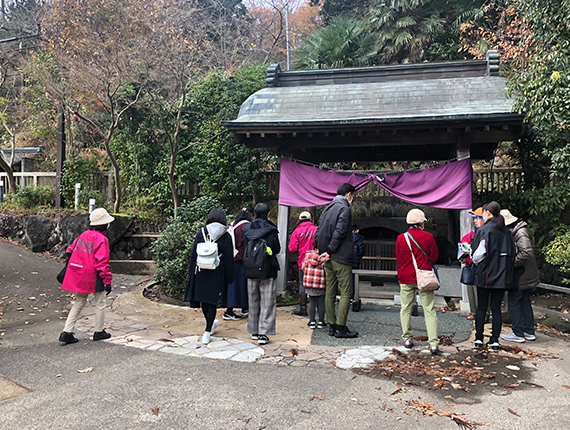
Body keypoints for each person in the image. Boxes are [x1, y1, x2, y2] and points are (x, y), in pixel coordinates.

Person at [59, 208, 115, 344]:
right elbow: (102, 262)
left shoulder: (84, 234)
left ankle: (67, 331)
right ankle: (99, 331)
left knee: (79, 301)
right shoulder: (102, 239)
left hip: (79, 273)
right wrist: (107, 281)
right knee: (100, 302)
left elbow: (69, 250)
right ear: (105, 224)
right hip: (94, 275)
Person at [184, 208, 235, 345]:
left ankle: (209, 327)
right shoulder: (226, 236)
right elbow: (229, 259)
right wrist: (230, 277)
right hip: (216, 272)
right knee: (211, 301)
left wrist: (191, 274)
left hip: (200, 270)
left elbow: (194, 255)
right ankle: (207, 330)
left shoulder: (201, 233)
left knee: (203, 301)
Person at [471, 201, 516, 352]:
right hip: (503, 276)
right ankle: (495, 340)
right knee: (497, 308)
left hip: (485, 274)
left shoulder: (484, 230)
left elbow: (478, 254)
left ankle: (478, 338)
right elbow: (513, 253)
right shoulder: (508, 233)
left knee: (482, 307)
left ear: (488, 213)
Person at [315, 183, 358, 339]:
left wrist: (322, 251)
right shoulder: (344, 209)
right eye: (353, 195)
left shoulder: (327, 209)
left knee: (330, 291)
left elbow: (318, 231)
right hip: (340, 256)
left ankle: (331, 325)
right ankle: (341, 327)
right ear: (348, 194)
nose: (353, 198)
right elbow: (340, 232)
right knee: (346, 292)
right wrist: (331, 250)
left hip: (327, 257)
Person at [395, 208, 440, 354]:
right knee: (429, 309)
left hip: (406, 277)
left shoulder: (401, 238)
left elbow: (398, 257)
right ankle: (433, 343)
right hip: (424, 278)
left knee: (405, 308)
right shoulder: (428, 237)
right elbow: (434, 256)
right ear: (421, 222)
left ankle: (407, 338)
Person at [242, 203, 281, 345]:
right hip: (267, 269)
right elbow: (276, 249)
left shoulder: (247, 229)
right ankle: (263, 333)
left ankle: (254, 330)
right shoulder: (271, 229)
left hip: (250, 268)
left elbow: (243, 247)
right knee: (267, 301)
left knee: (253, 300)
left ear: (255, 214)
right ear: (268, 213)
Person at [500, 209, 540, 343]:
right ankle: (529, 331)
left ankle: (518, 332)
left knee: (514, 301)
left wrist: (511, 264)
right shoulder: (521, 230)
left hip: (522, 274)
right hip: (527, 273)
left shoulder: (520, 232)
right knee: (524, 301)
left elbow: (527, 253)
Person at [223, 208, 252, 321]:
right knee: (241, 285)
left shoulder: (233, 225)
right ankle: (233, 310)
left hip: (232, 258)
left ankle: (237, 309)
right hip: (241, 259)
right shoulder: (246, 226)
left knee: (234, 285)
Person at [288, 211, 317, 317]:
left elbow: (292, 248)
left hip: (303, 262)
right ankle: (318, 307)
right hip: (315, 262)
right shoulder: (316, 229)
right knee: (316, 283)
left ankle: (303, 309)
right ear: (310, 219)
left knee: (302, 284)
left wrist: (300, 249)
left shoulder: (297, 231)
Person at [460, 207, 485, 320]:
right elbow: (463, 243)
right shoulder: (471, 234)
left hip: (482, 267)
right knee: (471, 290)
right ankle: (474, 312)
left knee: (481, 292)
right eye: (474, 218)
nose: (475, 220)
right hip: (470, 266)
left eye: (478, 218)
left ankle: (484, 314)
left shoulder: (485, 232)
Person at [302, 248, 326, 329]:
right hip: (320, 283)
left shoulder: (307, 256)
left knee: (312, 302)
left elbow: (303, 267)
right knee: (321, 303)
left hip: (309, 283)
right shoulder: (323, 258)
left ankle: (312, 321)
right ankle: (321, 321)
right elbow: (326, 270)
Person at [352, 223, 365, 299]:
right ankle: (354, 295)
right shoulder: (359, 238)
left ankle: (347, 296)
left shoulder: (345, 237)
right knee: (354, 278)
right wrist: (358, 257)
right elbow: (361, 251)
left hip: (346, 260)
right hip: (355, 260)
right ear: (357, 230)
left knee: (346, 279)